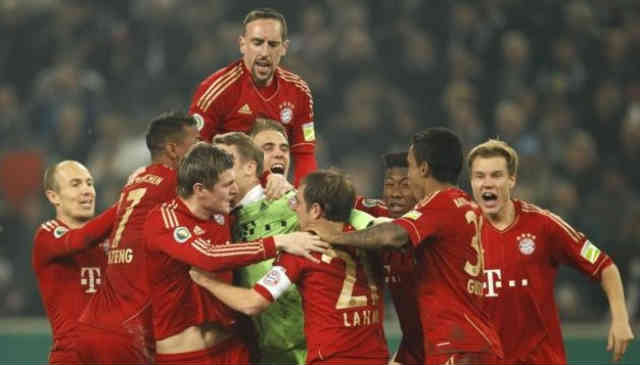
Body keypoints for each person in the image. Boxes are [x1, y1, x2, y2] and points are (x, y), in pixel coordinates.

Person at [304, 128, 503, 364]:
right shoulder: (462, 205)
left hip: (458, 345)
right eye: (390, 184)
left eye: (409, 168)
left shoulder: (441, 203)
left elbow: (393, 236)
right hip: (456, 342)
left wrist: (333, 237)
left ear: (423, 169)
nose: (402, 185)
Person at [143, 142, 328, 365]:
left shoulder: (224, 213)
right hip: (184, 356)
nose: (234, 189)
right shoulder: (164, 219)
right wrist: (279, 242)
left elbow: (245, 155)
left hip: (232, 349)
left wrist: (270, 176)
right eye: (227, 184)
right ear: (200, 189)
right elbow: (209, 257)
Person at [190, 169, 390, 364]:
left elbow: (252, 303)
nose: (293, 207)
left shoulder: (302, 249)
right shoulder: (372, 242)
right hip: (378, 358)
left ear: (316, 210)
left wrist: (206, 281)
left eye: (297, 202)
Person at [213, 131, 375, 364]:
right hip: (268, 350)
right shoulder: (224, 217)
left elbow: (352, 217)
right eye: (268, 148)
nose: (217, 170)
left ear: (250, 167)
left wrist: (385, 229)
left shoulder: (290, 201)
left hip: (310, 347)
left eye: (225, 162)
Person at [467, 139, 635, 364]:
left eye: (496, 175)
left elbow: (604, 266)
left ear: (512, 179)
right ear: (471, 182)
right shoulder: (459, 231)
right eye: (480, 176)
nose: (487, 184)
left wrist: (621, 319)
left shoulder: (543, 225)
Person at [73, 112, 201, 364]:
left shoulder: (135, 183)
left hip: (91, 326)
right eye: (196, 143)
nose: (201, 150)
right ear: (174, 149)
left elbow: (85, 237)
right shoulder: (177, 186)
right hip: (128, 335)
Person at [189, 8, 317, 186]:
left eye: (272, 44)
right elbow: (194, 153)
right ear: (242, 44)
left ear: (284, 48)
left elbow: (304, 154)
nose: (264, 52)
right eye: (257, 43)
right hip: (228, 193)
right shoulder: (216, 90)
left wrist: (302, 199)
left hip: (276, 191)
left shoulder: (299, 92)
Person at [32, 161, 116, 364]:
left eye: (89, 183)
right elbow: (80, 240)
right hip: (73, 357)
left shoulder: (111, 238)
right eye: (76, 184)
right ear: (53, 196)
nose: (87, 191)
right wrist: (127, 204)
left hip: (114, 354)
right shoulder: (47, 234)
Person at [354, 152, 423, 365]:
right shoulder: (378, 213)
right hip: (413, 349)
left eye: (405, 185)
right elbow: (332, 197)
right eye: (390, 185)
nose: (395, 193)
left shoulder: (434, 226)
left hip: (447, 346)